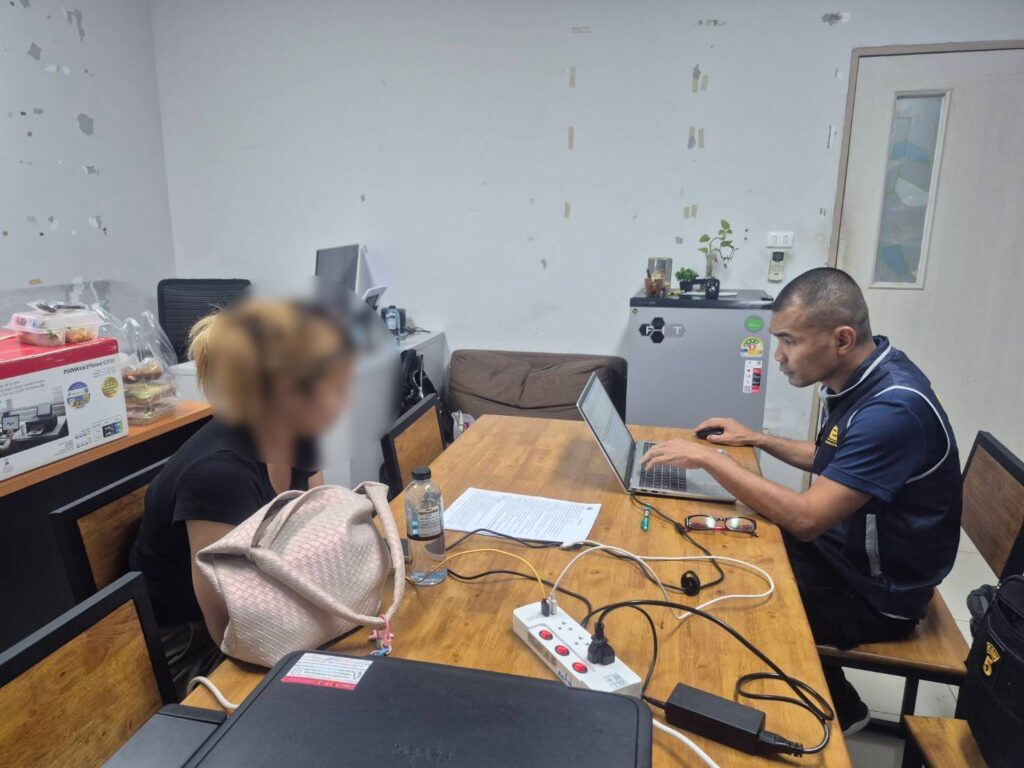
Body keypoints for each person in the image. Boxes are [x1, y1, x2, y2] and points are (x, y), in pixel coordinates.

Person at [640, 267, 962, 734]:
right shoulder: (867, 376)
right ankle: (835, 697)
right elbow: (840, 460)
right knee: (726, 544)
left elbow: (808, 519)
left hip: (878, 595)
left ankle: (833, 711)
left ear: (842, 339)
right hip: (849, 555)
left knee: (728, 598)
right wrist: (758, 439)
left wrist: (712, 461)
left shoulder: (893, 410)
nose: (779, 356)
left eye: (789, 341)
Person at [130, 298, 354, 697]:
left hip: (270, 602)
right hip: (192, 646)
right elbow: (226, 627)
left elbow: (319, 527)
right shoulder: (217, 475)